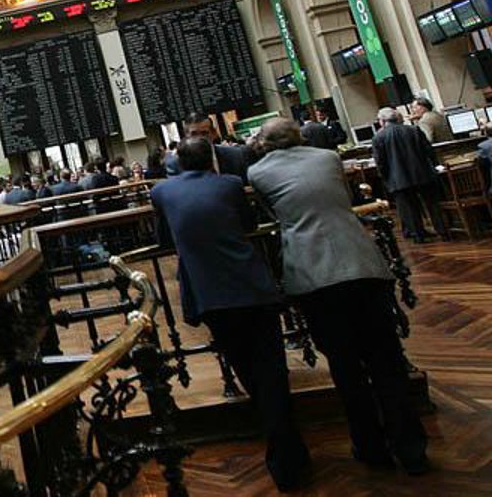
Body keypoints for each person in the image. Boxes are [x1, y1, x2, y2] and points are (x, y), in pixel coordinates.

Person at [249, 118, 430, 476]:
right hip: (362, 263)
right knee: (387, 361)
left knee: (346, 369)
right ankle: (412, 450)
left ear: (264, 144)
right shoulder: (328, 157)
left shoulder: (258, 173)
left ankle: (370, 447)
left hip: (314, 274)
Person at [151, 137, 310, 491]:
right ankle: (289, 454)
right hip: (252, 286)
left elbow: (164, 240)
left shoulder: (161, 192)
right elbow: (246, 223)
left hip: (211, 295)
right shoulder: (231, 184)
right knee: (272, 371)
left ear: (179, 163)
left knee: (247, 371)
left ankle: (284, 450)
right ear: (211, 160)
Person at [372, 107, 450, 242]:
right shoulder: (413, 130)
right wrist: (433, 167)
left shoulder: (378, 137)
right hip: (422, 173)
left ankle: (418, 235)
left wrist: (386, 178)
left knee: (409, 208)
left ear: (383, 121)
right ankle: (443, 232)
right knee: (432, 205)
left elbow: (380, 162)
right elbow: (428, 150)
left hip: (398, 178)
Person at [166, 112, 252, 181]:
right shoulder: (176, 164)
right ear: (186, 136)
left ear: (213, 134)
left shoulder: (236, 155)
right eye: (194, 134)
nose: (199, 138)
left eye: (204, 133)